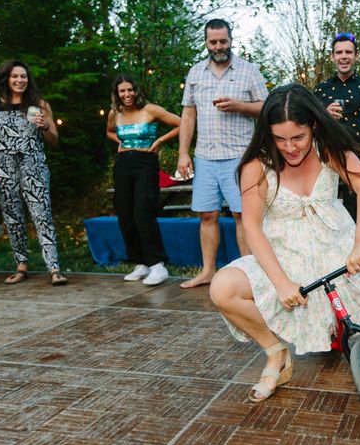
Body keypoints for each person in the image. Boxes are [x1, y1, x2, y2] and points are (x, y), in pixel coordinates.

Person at [209, 84, 360, 403]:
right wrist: (281, 282)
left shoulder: (329, 147)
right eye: (279, 138)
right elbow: (253, 228)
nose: (290, 147)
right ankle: (276, 354)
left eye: (298, 137)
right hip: (284, 258)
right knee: (222, 289)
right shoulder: (256, 165)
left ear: (313, 125)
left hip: (337, 249)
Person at [177, 18, 269, 289]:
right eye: (213, 42)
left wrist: (240, 106)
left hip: (240, 156)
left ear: (231, 40)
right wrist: (184, 152)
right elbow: (188, 114)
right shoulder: (195, 73)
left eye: (223, 41)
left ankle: (250, 275)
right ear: (206, 42)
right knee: (207, 215)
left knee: (243, 216)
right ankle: (207, 271)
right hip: (205, 156)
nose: (218, 46)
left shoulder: (248, 70)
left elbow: (266, 107)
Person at [0, 59, 67, 285]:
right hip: (4, 168)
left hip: (34, 165)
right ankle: (21, 266)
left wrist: (45, 126)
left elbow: (54, 139)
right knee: (13, 218)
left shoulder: (39, 104)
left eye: (24, 76)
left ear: (29, 80)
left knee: (42, 215)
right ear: (6, 79)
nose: (20, 80)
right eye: (15, 76)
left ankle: (54, 268)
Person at [106, 74, 180, 285]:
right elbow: (109, 132)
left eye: (130, 90)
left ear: (136, 90)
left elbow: (181, 123)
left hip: (145, 163)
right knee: (125, 213)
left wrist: (159, 140)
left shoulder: (150, 109)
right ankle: (141, 263)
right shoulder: (115, 113)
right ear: (117, 94)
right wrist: (119, 141)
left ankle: (157, 265)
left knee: (142, 212)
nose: (127, 95)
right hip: (123, 163)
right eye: (122, 91)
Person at [315, 32, 360, 220]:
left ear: (356, 56)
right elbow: (309, 127)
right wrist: (324, 115)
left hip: (359, 155)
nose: (344, 56)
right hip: (327, 158)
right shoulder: (321, 89)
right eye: (339, 52)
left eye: (348, 52)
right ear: (332, 57)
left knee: (358, 212)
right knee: (326, 211)